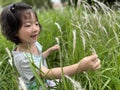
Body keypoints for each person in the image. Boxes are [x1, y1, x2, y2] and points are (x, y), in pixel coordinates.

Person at [0, 2, 101, 90]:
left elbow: (38, 58)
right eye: (28, 25)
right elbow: (46, 74)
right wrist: (79, 67)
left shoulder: (32, 43)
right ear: (14, 31)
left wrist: (50, 50)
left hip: (45, 82)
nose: (35, 28)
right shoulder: (23, 59)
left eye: (36, 23)